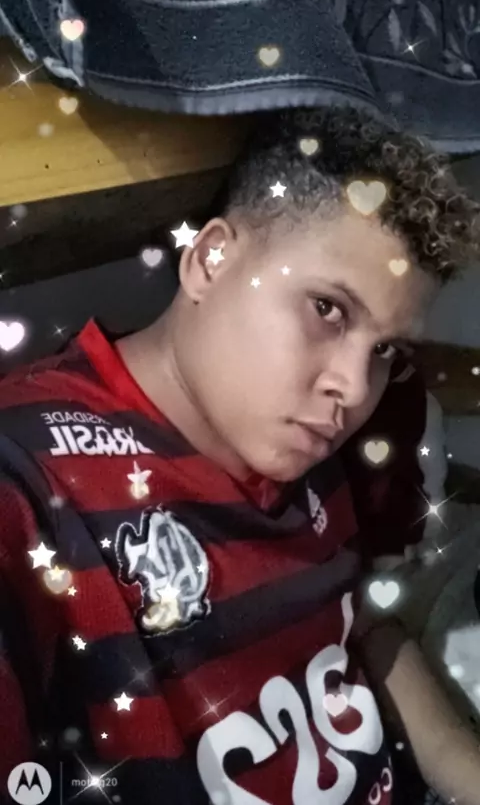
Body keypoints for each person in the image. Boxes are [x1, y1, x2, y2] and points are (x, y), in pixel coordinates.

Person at [0, 105, 479, 805]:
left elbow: (361, 624)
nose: (352, 388)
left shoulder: (298, 441)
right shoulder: (28, 479)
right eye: (327, 309)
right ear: (210, 259)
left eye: (384, 349)